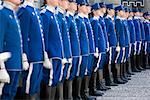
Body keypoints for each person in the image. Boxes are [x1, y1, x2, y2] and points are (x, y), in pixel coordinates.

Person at [17, 0, 50, 99]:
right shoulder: (25, 10)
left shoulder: (35, 11)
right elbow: (23, 35)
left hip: (38, 55)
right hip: (31, 56)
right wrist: (24, 56)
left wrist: (44, 53)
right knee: (29, 85)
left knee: (36, 85)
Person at [40, 0, 64, 99]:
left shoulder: (54, 15)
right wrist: (45, 55)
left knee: (55, 80)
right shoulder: (45, 14)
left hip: (57, 53)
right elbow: (43, 37)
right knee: (49, 80)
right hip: (51, 54)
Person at [0, 0, 22, 99]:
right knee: (6, 94)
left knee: (12, 93)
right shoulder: (2, 13)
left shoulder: (13, 13)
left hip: (16, 62)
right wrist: (2, 68)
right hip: (7, 63)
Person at [64, 0, 81, 99]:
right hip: (71, 51)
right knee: (68, 75)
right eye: (73, 3)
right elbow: (66, 38)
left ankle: (74, 95)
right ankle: (69, 97)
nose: (76, 5)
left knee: (73, 74)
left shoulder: (72, 18)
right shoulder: (67, 18)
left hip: (75, 51)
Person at [97, 2, 110, 91]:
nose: (104, 9)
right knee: (99, 65)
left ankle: (102, 83)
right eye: (103, 7)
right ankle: (99, 84)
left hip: (104, 44)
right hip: (100, 46)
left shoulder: (101, 19)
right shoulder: (98, 20)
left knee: (101, 64)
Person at [104, 3, 118, 86]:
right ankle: (108, 80)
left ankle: (112, 78)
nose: (113, 11)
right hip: (110, 44)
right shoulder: (107, 20)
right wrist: (108, 43)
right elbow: (106, 33)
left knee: (112, 61)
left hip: (113, 44)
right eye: (112, 10)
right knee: (108, 62)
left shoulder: (111, 20)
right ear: (108, 10)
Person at [114, 5, 126, 84]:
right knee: (117, 60)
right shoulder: (117, 21)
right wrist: (117, 44)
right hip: (119, 44)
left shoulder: (120, 20)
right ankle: (117, 77)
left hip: (122, 43)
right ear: (118, 12)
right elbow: (117, 33)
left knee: (121, 59)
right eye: (121, 11)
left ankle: (120, 75)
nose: (123, 12)